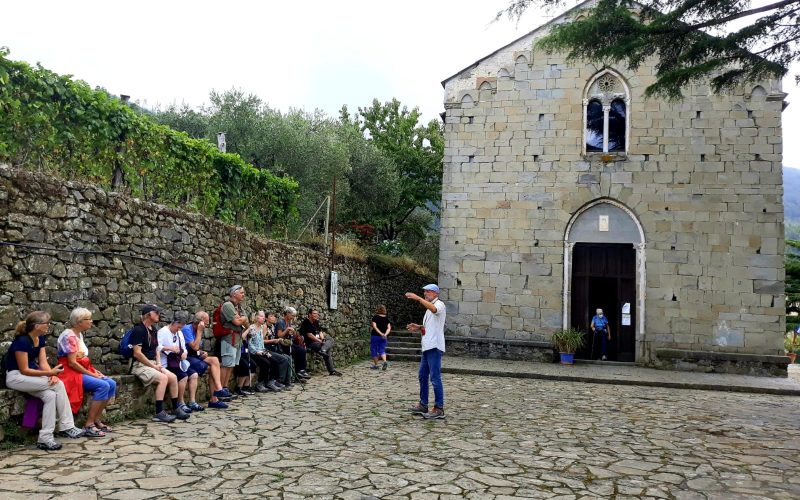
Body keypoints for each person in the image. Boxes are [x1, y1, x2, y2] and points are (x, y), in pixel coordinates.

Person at [4, 311, 85, 450]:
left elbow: (43, 363)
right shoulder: (22, 341)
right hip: (15, 377)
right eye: (46, 323)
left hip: (31, 376)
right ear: (36, 326)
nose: (49, 325)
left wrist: (51, 375)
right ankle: (67, 426)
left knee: (50, 395)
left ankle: (45, 438)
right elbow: (24, 370)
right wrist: (50, 373)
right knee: (59, 385)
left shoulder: (40, 339)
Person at [57, 307, 117, 437]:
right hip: (69, 372)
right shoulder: (69, 336)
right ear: (79, 321)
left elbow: (83, 360)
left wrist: (96, 372)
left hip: (81, 369)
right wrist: (92, 374)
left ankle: (97, 419)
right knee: (103, 385)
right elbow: (72, 362)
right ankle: (89, 424)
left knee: (111, 383)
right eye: (88, 319)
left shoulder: (79, 334)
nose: (91, 321)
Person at [129, 305, 186, 423]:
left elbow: (157, 349)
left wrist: (158, 363)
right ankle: (159, 412)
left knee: (173, 377)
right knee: (163, 378)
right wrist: (153, 366)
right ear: (149, 314)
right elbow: (137, 354)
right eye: (157, 312)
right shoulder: (138, 330)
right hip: (139, 365)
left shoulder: (153, 329)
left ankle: (175, 408)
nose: (159, 315)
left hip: (153, 363)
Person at [405, 284, 447, 420]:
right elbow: (430, 326)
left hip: (434, 346)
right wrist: (419, 327)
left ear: (435, 293)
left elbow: (435, 310)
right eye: (423, 292)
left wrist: (417, 298)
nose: (425, 294)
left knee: (435, 378)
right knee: (422, 376)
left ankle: (439, 408)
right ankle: (423, 404)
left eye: (428, 292)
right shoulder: (428, 308)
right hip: (427, 346)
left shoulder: (439, 304)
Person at [182, 311, 230, 408]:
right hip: (186, 357)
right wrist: (200, 331)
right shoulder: (187, 329)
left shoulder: (198, 329)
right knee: (212, 369)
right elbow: (194, 347)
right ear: (200, 321)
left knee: (215, 360)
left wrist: (202, 352)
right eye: (207, 321)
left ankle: (218, 389)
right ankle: (214, 399)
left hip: (195, 355)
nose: (208, 323)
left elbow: (196, 349)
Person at [157, 313, 197, 417]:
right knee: (183, 377)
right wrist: (169, 348)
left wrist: (184, 353)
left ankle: (192, 401)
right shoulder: (162, 332)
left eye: (180, 328)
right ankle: (180, 402)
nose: (178, 330)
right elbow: (157, 348)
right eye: (178, 327)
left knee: (194, 375)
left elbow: (183, 347)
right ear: (173, 323)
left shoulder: (179, 333)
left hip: (177, 362)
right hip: (166, 363)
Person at [247, 311, 289, 392]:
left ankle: (271, 382)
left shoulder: (260, 328)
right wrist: (256, 352)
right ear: (256, 317)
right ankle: (260, 383)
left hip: (262, 351)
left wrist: (265, 351)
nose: (263, 318)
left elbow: (261, 343)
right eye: (261, 316)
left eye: (263, 316)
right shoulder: (252, 328)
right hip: (254, 353)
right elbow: (250, 343)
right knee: (266, 363)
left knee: (274, 361)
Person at [219, 285, 249, 394]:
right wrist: (242, 319)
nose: (243, 295)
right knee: (226, 364)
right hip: (229, 339)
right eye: (241, 292)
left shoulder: (239, 307)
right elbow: (237, 322)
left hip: (237, 339)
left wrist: (242, 319)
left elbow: (247, 323)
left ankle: (225, 387)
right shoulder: (227, 305)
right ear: (234, 293)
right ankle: (220, 388)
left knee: (231, 365)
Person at [299, 309, 342, 376]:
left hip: (319, 341)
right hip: (311, 343)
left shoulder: (316, 322)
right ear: (310, 314)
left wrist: (322, 339)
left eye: (317, 313)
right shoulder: (306, 322)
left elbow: (320, 332)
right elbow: (310, 335)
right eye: (314, 313)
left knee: (330, 339)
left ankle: (323, 350)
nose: (316, 315)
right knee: (327, 349)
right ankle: (331, 370)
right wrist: (320, 341)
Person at [264, 312, 296, 388]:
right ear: (266, 318)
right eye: (271, 316)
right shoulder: (264, 327)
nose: (274, 317)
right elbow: (263, 341)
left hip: (274, 348)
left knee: (288, 358)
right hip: (267, 349)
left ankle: (287, 381)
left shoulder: (272, 327)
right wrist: (274, 340)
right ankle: (278, 380)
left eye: (274, 316)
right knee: (283, 359)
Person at [276, 306, 309, 381]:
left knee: (302, 350)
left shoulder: (289, 322)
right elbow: (279, 335)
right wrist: (287, 330)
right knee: (297, 351)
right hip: (282, 344)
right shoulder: (281, 322)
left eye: (294, 316)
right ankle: (297, 373)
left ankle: (300, 371)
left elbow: (290, 335)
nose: (293, 317)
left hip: (288, 342)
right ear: (287, 314)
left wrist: (293, 333)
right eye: (292, 315)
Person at [370, 305, 392, 371]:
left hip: (375, 336)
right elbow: (389, 328)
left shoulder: (375, 317)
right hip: (384, 337)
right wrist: (385, 334)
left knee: (374, 350)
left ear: (378, 310)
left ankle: (376, 365)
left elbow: (374, 327)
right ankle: (385, 361)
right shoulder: (386, 319)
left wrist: (380, 333)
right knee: (382, 350)